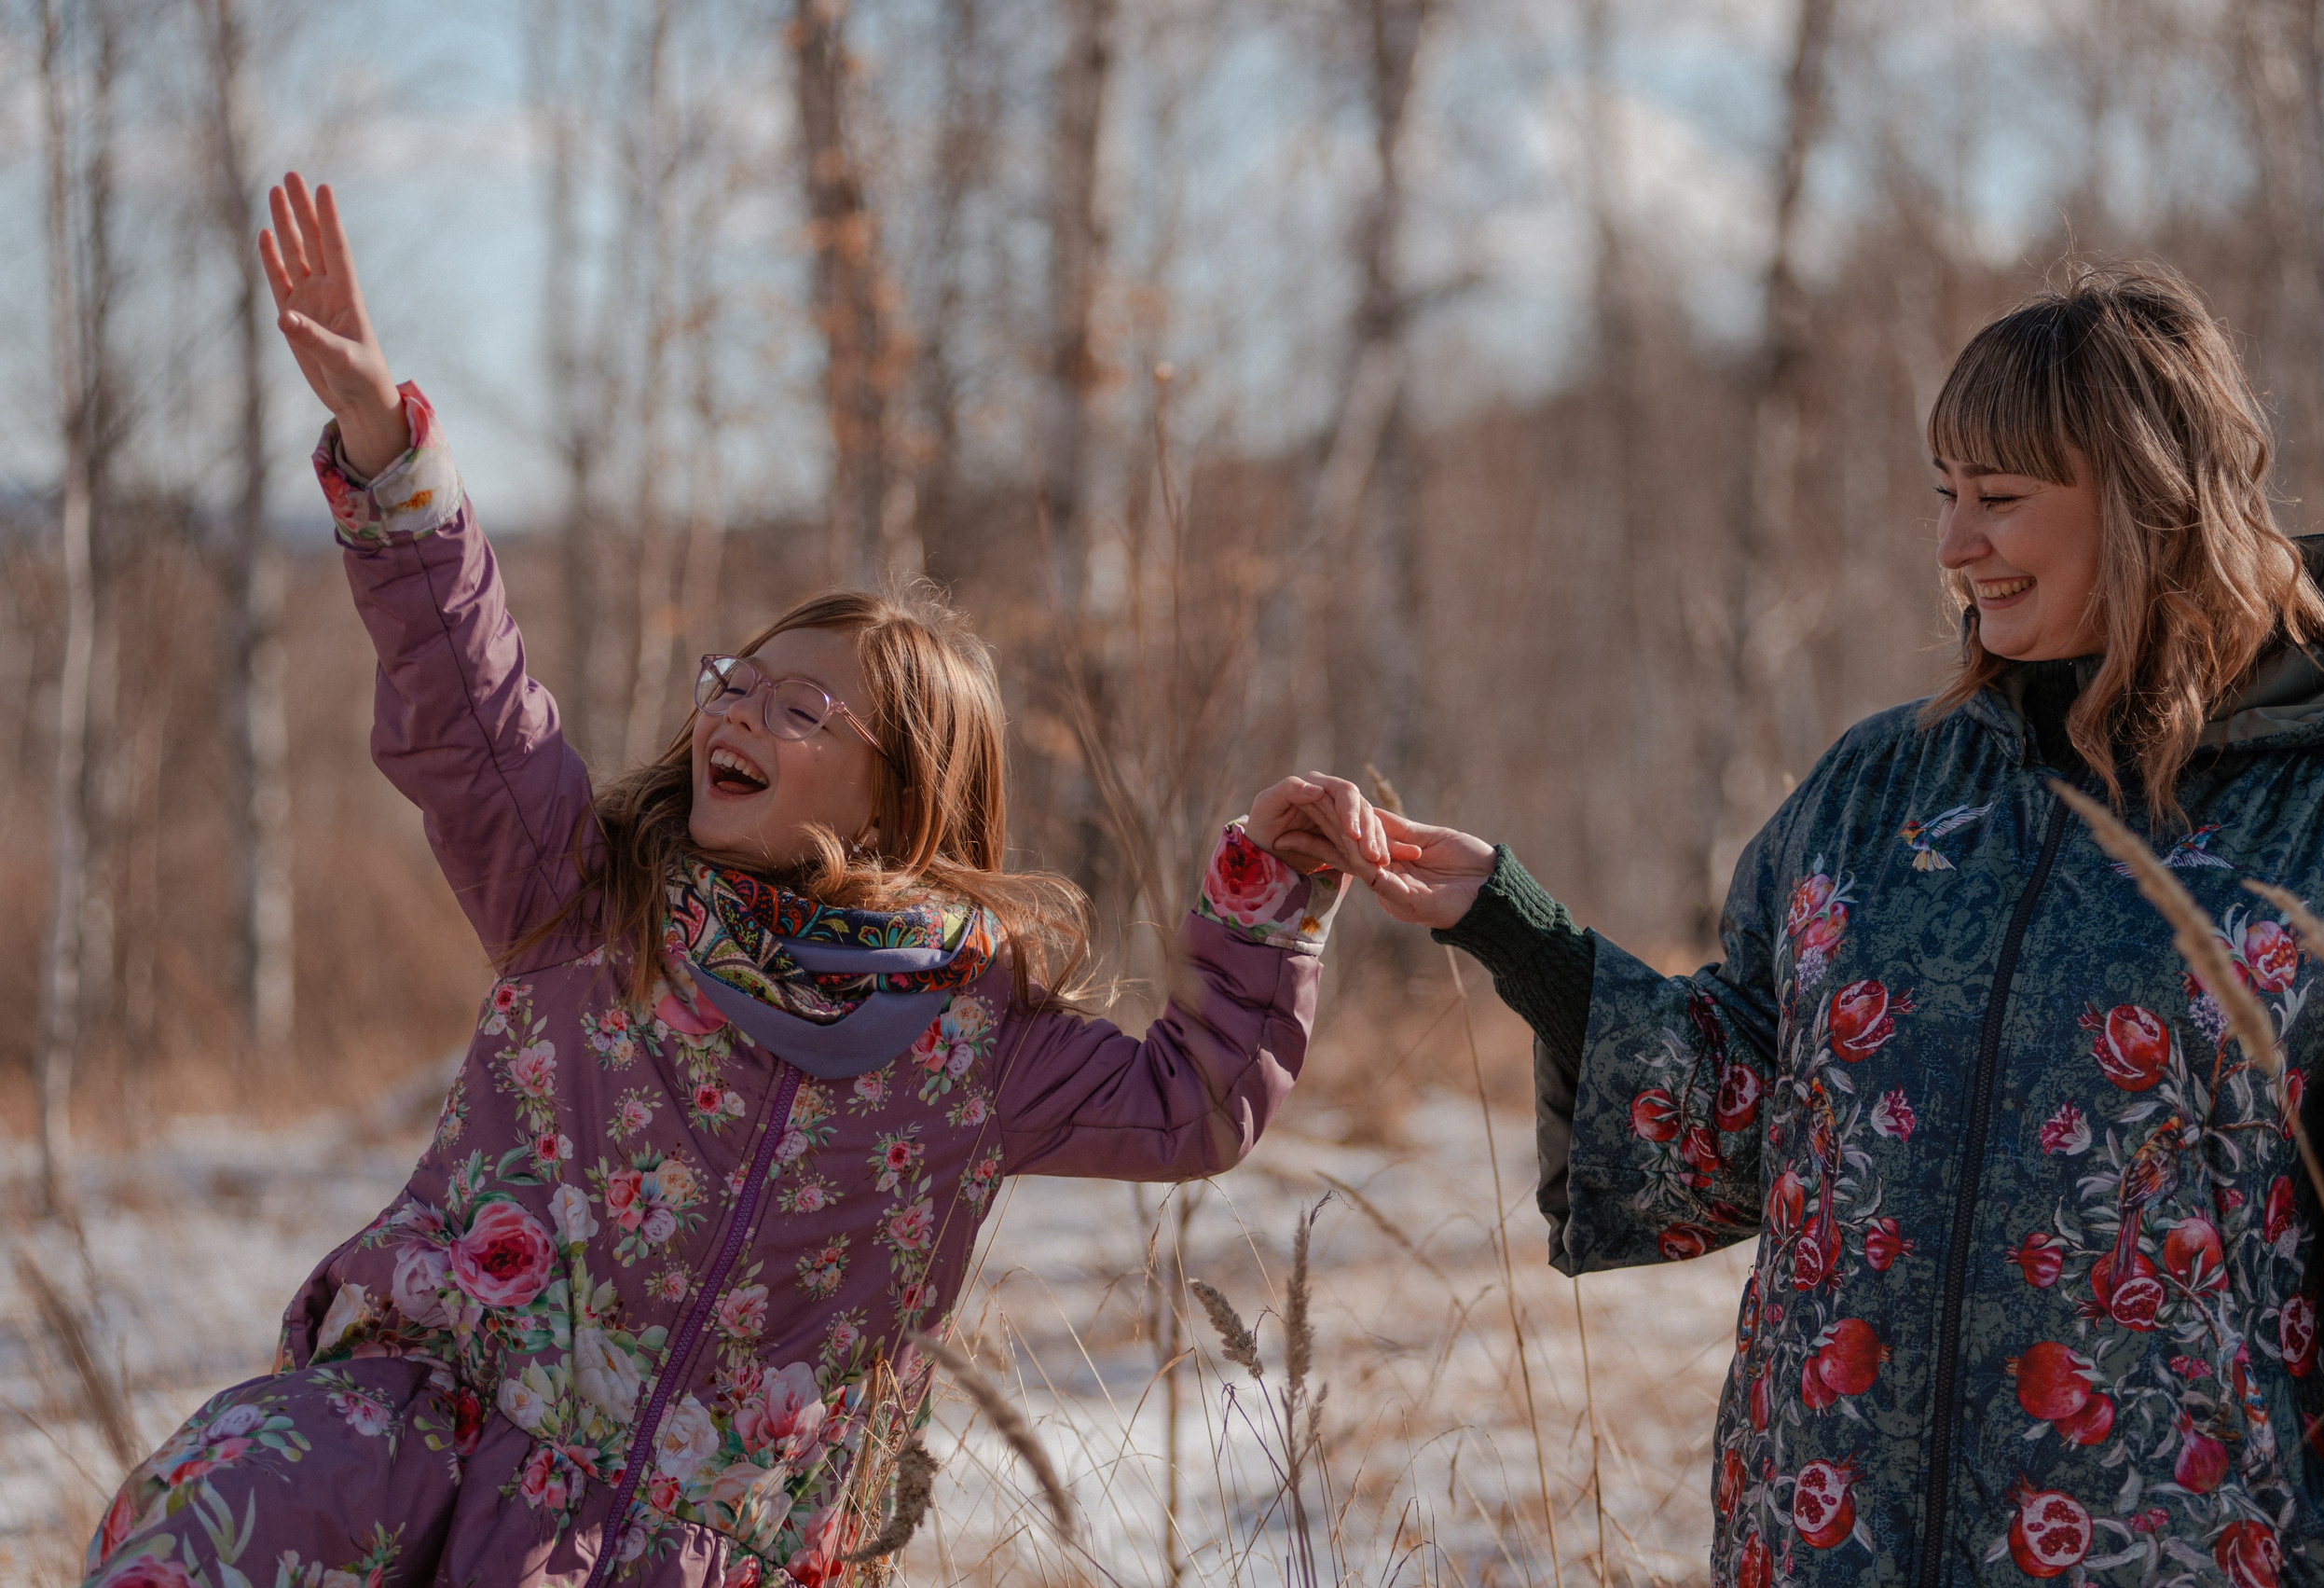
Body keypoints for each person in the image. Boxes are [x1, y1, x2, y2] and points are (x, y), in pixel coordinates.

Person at [79, 173, 1392, 1588]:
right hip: (419, 1443)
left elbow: (1195, 1100)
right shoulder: (591, 897)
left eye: (801, 710)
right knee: (223, 1507)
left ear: (904, 799)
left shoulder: (970, 1043)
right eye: (738, 683)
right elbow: (469, 697)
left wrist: (1270, 889)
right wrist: (385, 448)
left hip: (683, 1548)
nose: (739, 716)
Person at [1355, 266, 2324, 1588]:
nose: (1957, 543)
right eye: (1945, 495)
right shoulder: (1883, 795)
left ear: (2151, 500)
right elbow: (1745, 1128)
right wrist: (1521, 931)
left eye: (2002, 499)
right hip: (1833, 1541)